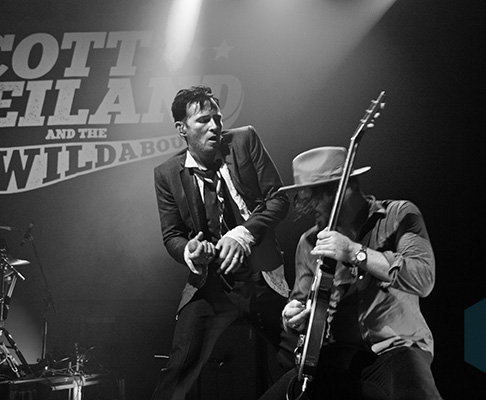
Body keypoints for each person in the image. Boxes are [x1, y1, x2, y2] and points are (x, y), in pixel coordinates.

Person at [260, 146, 443, 400]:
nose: (310, 211)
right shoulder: (309, 242)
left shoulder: (399, 215)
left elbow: (423, 279)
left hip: (397, 348)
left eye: (314, 201)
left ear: (342, 190)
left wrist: (354, 252)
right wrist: (293, 317)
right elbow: (301, 304)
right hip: (337, 358)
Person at [152, 85, 294, 400]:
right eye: (203, 120)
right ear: (182, 129)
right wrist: (190, 252)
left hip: (261, 276)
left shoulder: (244, 140)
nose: (215, 126)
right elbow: (172, 236)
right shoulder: (166, 174)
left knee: (300, 359)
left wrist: (244, 233)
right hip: (212, 285)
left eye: (217, 118)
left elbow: (279, 199)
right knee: (178, 369)